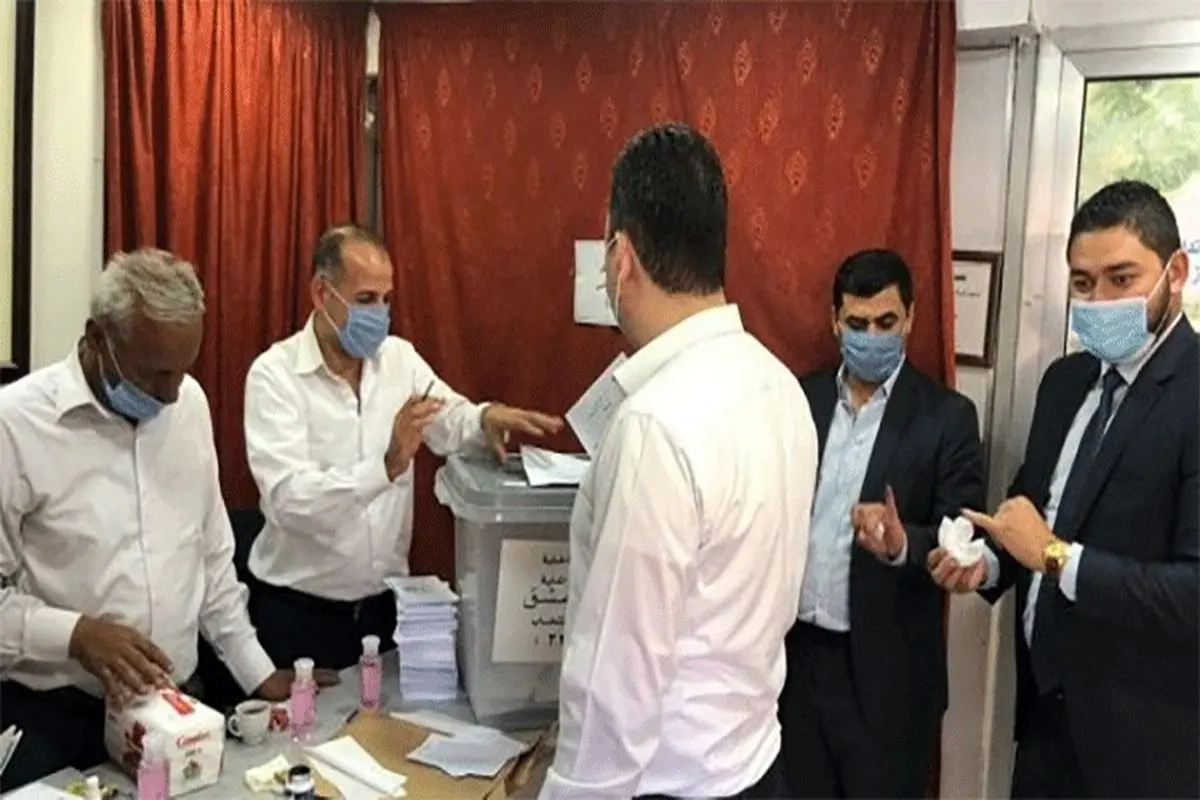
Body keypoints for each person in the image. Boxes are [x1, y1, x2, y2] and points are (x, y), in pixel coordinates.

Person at [539, 123, 819, 800]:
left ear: (621, 258)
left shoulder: (655, 424)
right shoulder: (780, 386)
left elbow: (618, 678)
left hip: (665, 783)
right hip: (755, 765)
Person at [0, 249, 334, 792]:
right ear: (97, 338)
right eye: (154, 373)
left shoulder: (188, 406)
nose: (171, 392)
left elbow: (211, 557)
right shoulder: (15, 425)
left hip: (176, 710)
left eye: (183, 370)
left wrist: (257, 671)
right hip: (60, 717)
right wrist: (76, 634)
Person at [929, 180, 1199, 797]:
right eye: (1083, 283)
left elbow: (1191, 592)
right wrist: (984, 563)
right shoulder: (1064, 382)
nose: (1099, 301)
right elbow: (1031, 512)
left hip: (1146, 744)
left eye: (1121, 279)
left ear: (1176, 272)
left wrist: (1055, 557)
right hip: (1044, 718)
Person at [244, 225, 563, 671]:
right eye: (365, 299)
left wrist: (484, 417)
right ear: (321, 293)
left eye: (386, 299)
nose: (379, 313)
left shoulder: (398, 360)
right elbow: (289, 500)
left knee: (385, 718)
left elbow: (448, 418)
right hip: (300, 614)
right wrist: (386, 467)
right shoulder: (275, 377)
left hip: (384, 611)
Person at [780, 249, 984, 798]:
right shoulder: (801, 399)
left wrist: (901, 544)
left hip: (887, 678)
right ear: (835, 321)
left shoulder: (947, 417)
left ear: (910, 318)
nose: (872, 336)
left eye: (886, 322)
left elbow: (964, 537)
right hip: (796, 664)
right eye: (858, 323)